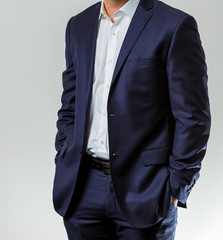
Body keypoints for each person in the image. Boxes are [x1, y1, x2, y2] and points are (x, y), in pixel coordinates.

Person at [52, 0, 211, 239]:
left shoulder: (174, 25)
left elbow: (193, 117)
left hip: (146, 190)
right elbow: (70, 104)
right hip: (82, 188)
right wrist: (64, 152)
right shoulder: (78, 25)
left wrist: (177, 186)